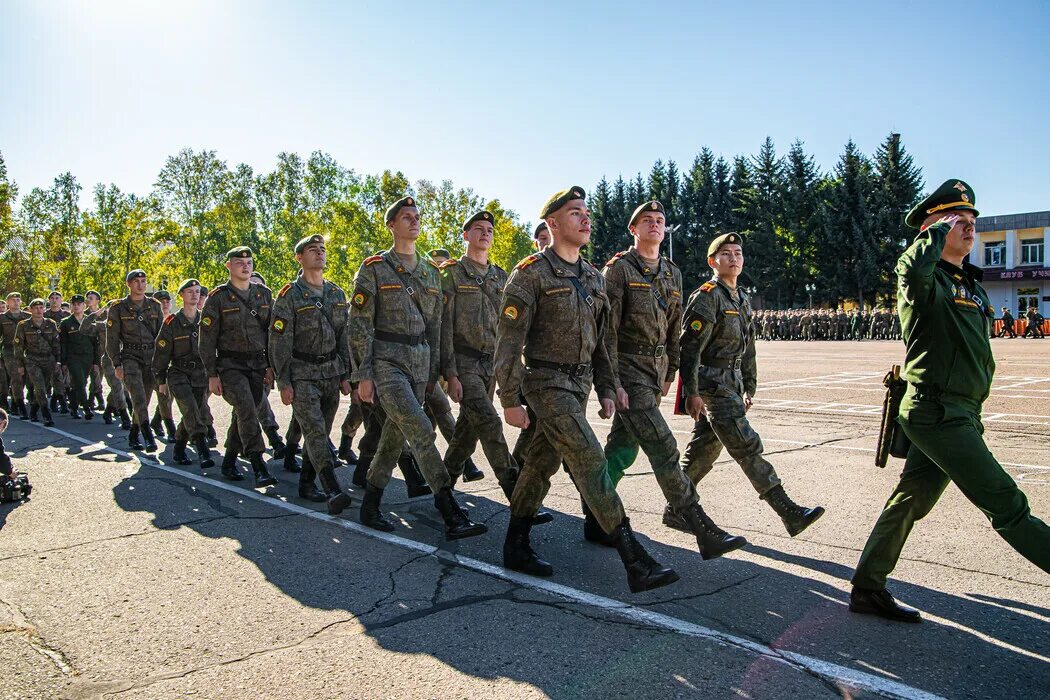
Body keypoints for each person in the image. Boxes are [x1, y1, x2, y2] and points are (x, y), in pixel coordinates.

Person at [850, 179, 1050, 622]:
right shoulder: (922, 279)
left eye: (972, 219)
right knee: (1007, 504)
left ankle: (867, 586)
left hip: (960, 412)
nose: (968, 225)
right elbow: (913, 267)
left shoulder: (972, 287)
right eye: (955, 219)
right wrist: (933, 233)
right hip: (938, 412)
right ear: (930, 228)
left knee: (911, 500)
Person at [495, 186, 678, 593]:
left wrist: (608, 387)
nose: (585, 218)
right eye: (575, 212)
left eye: (586, 212)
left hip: (577, 387)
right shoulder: (531, 274)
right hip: (545, 383)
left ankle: (516, 543)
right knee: (590, 458)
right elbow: (507, 343)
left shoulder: (593, 278)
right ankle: (633, 557)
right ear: (553, 223)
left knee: (540, 465)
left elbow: (601, 343)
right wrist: (509, 398)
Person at [601, 201, 746, 558]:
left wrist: (669, 372)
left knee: (623, 446)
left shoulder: (672, 272)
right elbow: (606, 330)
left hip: (654, 371)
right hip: (627, 368)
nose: (655, 224)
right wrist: (612, 381)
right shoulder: (618, 269)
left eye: (660, 220)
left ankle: (595, 512)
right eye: (647, 220)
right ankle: (696, 521)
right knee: (663, 446)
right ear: (633, 230)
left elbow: (674, 326)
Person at [349, 195, 485, 540]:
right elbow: (360, 325)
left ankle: (370, 504)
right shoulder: (374, 268)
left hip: (420, 362)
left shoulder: (429, 272)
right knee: (422, 428)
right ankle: (449, 510)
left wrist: (437, 372)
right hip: (387, 361)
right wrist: (363, 374)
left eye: (416, 216)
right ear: (391, 225)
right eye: (406, 217)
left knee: (394, 437)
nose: (414, 221)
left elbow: (438, 325)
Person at [677, 233, 825, 537]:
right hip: (712, 384)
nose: (734, 258)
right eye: (726, 253)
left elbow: (748, 347)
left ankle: (676, 507)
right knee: (747, 446)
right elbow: (689, 349)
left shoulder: (741, 298)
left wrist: (749, 386)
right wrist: (690, 392)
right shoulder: (708, 296)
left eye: (738, 253)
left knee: (705, 449)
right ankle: (788, 512)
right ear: (712, 261)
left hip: (732, 382)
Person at [440, 210, 535, 506]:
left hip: (491, 364)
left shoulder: (500, 277)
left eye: (489, 230)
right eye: (478, 229)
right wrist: (449, 373)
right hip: (464, 361)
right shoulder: (451, 273)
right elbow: (442, 326)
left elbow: (509, 327)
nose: (485, 233)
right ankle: (516, 493)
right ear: (466, 235)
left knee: (468, 432)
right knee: (490, 422)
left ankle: (442, 486)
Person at [269, 234, 354, 511]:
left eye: (322, 249)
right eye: (312, 250)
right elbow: (279, 342)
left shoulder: (336, 293)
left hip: (331, 372)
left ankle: (306, 482)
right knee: (316, 433)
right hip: (302, 373)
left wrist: (345, 374)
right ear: (299, 257)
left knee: (322, 429)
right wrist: (283, 380)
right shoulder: (289, 296)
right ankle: (332, 489)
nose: (319, 253)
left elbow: (344, 336)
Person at [198, 247, 279, 488]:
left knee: (247, 412)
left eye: (249, 262)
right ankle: (258, 464)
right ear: (229, 266)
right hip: (230, 365)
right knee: (245, 406)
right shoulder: (218, 297)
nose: (245, 266)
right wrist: (211, 374)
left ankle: (230, 460)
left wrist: (270, 366)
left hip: (257, 365)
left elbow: (272, 334)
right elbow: (206, 340)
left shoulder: (264, 295)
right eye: (239, 262)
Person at [153, 279, 214, 470]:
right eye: (190, 292)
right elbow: (161, 353)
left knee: (195, 411)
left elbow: (214, 348)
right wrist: (161, 380)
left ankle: (179, 449)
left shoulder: (206, 320)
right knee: (190, 408)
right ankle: (203, 450)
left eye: (197, 291)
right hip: (178, 373)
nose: (194, 295)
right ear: (181, 295)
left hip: (200, 374)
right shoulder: (172, 322)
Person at [106, 270, 163, 451]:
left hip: (152, 357)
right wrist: (117, 363)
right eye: (136, 281)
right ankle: (148, 436)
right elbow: (112, 340)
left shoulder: (154, 305)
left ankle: (133, 433)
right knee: (138, 396)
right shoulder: (118, 308)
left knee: (144, 400)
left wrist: (164, 361)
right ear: (128, 284)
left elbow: (162, 336)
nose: (140, 284)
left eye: (143, 281)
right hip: (130, 356)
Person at [14, 299, 59, 427]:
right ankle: (46, 414)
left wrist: (59, 361)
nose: (39, 310)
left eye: (41, 307)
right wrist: (20, 365)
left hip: (48, 360)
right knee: (39, 386)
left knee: (43, 387)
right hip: (32, 360)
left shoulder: (51, 324)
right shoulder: (23, 325)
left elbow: (56, 344)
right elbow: (18, 347)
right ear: (30, 309)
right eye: (36, 308)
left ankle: (33, 410)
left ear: (44, 309)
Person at [58, 294, 99, 420]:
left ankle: (74, 407)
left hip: (87, 357)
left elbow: (95, 343)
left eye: (79, 304)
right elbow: (63, 343)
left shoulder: (90, 321)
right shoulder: (66, 323)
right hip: (73, 357)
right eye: (74, 304)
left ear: (84, 305)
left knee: (80, 383)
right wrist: (63, 362)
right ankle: (86, 408)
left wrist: (96, 361)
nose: (76, 306)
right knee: (80, 382)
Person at [149, 290, 179, 443]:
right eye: (162, 301)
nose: (165, 303)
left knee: (169, 396)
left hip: (172, 363)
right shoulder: (151, 320)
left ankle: (155, 421)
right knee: (164, 395)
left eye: (167, 301)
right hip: (154, 363)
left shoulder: (174, 320)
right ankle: (171, 429)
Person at [0, 293, 31, 419]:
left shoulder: (28, 317)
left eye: (18, 299)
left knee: (24, 378)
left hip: (26, 351)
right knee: (16, 376)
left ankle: (14, 399)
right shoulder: (2, 318)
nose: (16, 302)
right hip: (9, 350)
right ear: (8, 302)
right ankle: (18, 403)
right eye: (13, 300)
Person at [44, 291, 70, 414]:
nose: (54, 300)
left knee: (65, 377)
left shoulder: (67, 315)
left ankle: (57, 398)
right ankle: (59, 400)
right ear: (49, 300)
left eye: (57, 298)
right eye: (52, 298)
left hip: (65, 349)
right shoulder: (44, 315)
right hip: (49, 350)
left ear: (61, 300)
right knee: (55, 376)